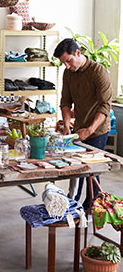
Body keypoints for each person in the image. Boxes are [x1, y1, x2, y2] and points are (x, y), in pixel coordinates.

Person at [53, 38, 112, 210]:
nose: (67, 66)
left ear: (78, 53)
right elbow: (65, 102)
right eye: (64, 63)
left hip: (98, 129)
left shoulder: (99, 72)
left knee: (91, 170)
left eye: (69, 61)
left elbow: (105, 106)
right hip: (78, 127)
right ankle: (74, 202)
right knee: (77, 167)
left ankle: (92, 206)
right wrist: (66, 125)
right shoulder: (68, 73)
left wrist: (91, 129)